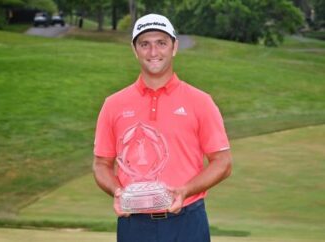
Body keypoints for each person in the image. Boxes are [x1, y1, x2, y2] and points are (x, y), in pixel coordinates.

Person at [93, 13, 232, 242]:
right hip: (134, 223)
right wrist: (117, 191)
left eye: (161, 43)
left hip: (187, 221)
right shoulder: (113, 104)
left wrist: (185, 190)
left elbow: (223, 163)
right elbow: (101, 164)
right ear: (134, 49)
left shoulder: (200, 101)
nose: (153, 52)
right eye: (144, 44)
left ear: (174, 47)